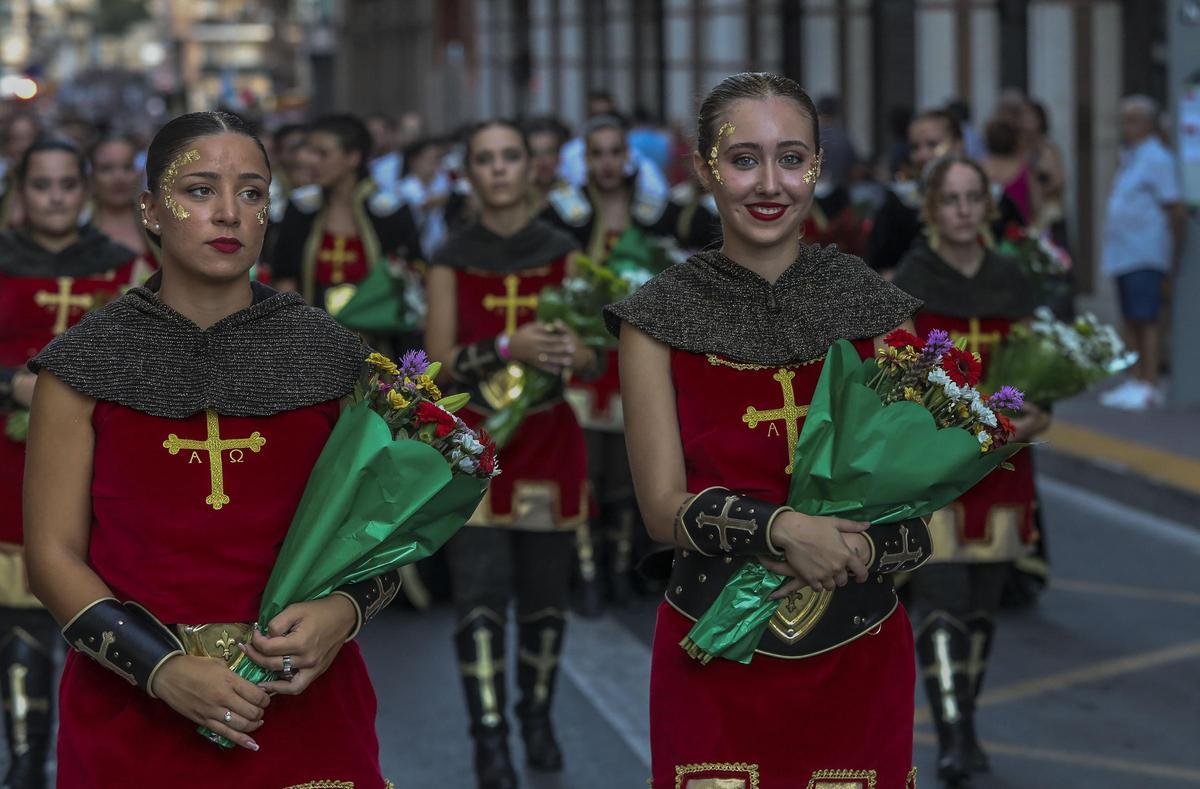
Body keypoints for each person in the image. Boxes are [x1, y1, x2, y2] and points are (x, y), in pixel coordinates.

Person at [23, 111, 402, 788]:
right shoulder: (82, 364)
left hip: (302, 707)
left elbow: (380, 534)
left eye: (253, 192)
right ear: (150, 209)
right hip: (131, 716)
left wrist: (342, 612)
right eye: (199, 190)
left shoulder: (334, 356)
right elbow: (51, 556)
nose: (229, 212)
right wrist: (162, 668)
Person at [607, 71, 930, 788]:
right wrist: (785, 530)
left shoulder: (878, 311)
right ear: (704, 170)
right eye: (743, 158)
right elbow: (662, 512)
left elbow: (920, 515)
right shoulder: (654, 319)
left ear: (818, 165)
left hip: (859, 654)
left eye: (791, 157)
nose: (769, 183)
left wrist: (854, 547)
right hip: (714, 653)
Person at [425, 119, 594, 789]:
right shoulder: (449, 256)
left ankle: (537, 717)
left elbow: (591, 353)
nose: (498, 169)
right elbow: (435, 367)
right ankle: (489, 739)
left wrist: (571, 353)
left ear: (532, 168)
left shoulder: (565, 251)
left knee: (547, 600)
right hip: (475, 446)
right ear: (468, 173)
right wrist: (504, 348)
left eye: (510, 157)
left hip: (550, 440)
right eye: (485, 159)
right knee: (481, 600)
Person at [893, 155, 1049, 786]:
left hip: (1007, 466)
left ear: (988, 206)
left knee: (984, 605)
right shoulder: (911, 278)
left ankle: (969, 719)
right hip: (938, 469)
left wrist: (1035, 416)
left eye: (972, 198)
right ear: (932, 209)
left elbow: (1041, 369)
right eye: (950, 199)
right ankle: (953, 734)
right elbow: (900, 374)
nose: (961, 210)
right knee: (941, 600)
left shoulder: (1013, 281)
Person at [0, 136, 141, 789]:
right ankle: (26, 765)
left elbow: (149, 359)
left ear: (83, 188)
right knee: (21, 626)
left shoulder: (125, 266)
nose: (54, 197)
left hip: (101, 464)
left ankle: (99, 767)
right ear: (21, 193)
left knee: (101, 618)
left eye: (65, 184)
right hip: (8, 463)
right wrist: (13, 384)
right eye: (40, 185)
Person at [543, 113, 721, 614]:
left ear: (629, 157)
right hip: (578, 363)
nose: (606, 162)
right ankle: (587, 573)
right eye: (596, 152)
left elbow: (703, 236)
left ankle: (623, 570)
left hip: (637, 364)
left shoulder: (654, 211)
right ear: (587, 158)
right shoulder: (565, 214)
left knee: (627, 472)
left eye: (614, 152)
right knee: (584, 473)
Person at [266, 113, 423, 320]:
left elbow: (411, 277)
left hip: (377, 343)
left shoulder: (390, 211)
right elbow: (285, 276)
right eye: (309, 151)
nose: (308, 160)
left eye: (322, 153)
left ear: (353, 158)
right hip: (312, 340)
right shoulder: (301, 208)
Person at [1099, 95, 1187, 411]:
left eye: (1133, 119)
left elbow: (1174, 207)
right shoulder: (1130, 156)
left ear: (1149, 123)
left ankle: (1149, 382)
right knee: (1130, 317)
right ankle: (1135, 378)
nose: (1126, 126)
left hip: (1146, 251)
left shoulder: (1157, 158)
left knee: (1147, 317)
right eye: (1124, 120)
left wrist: (1172, 250)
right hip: (1123, 251)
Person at [867, 109, 964, 275]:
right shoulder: (899, 203)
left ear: (958, 145)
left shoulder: (989, 197)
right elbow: (879, 267)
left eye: (933, 145)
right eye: (915, 147)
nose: (922, 155)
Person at [90, 134, 158, 273]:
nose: (119, 178)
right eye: (106, 169)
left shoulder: (159, 226)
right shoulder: (77, 231)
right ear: (91, 175)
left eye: (127, 167)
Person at [524, 115, 570, 213]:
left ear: (559, 158)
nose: (543, 161)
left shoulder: (571, 196)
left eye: (549, 152)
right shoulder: (516, 198)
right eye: (535, 154)